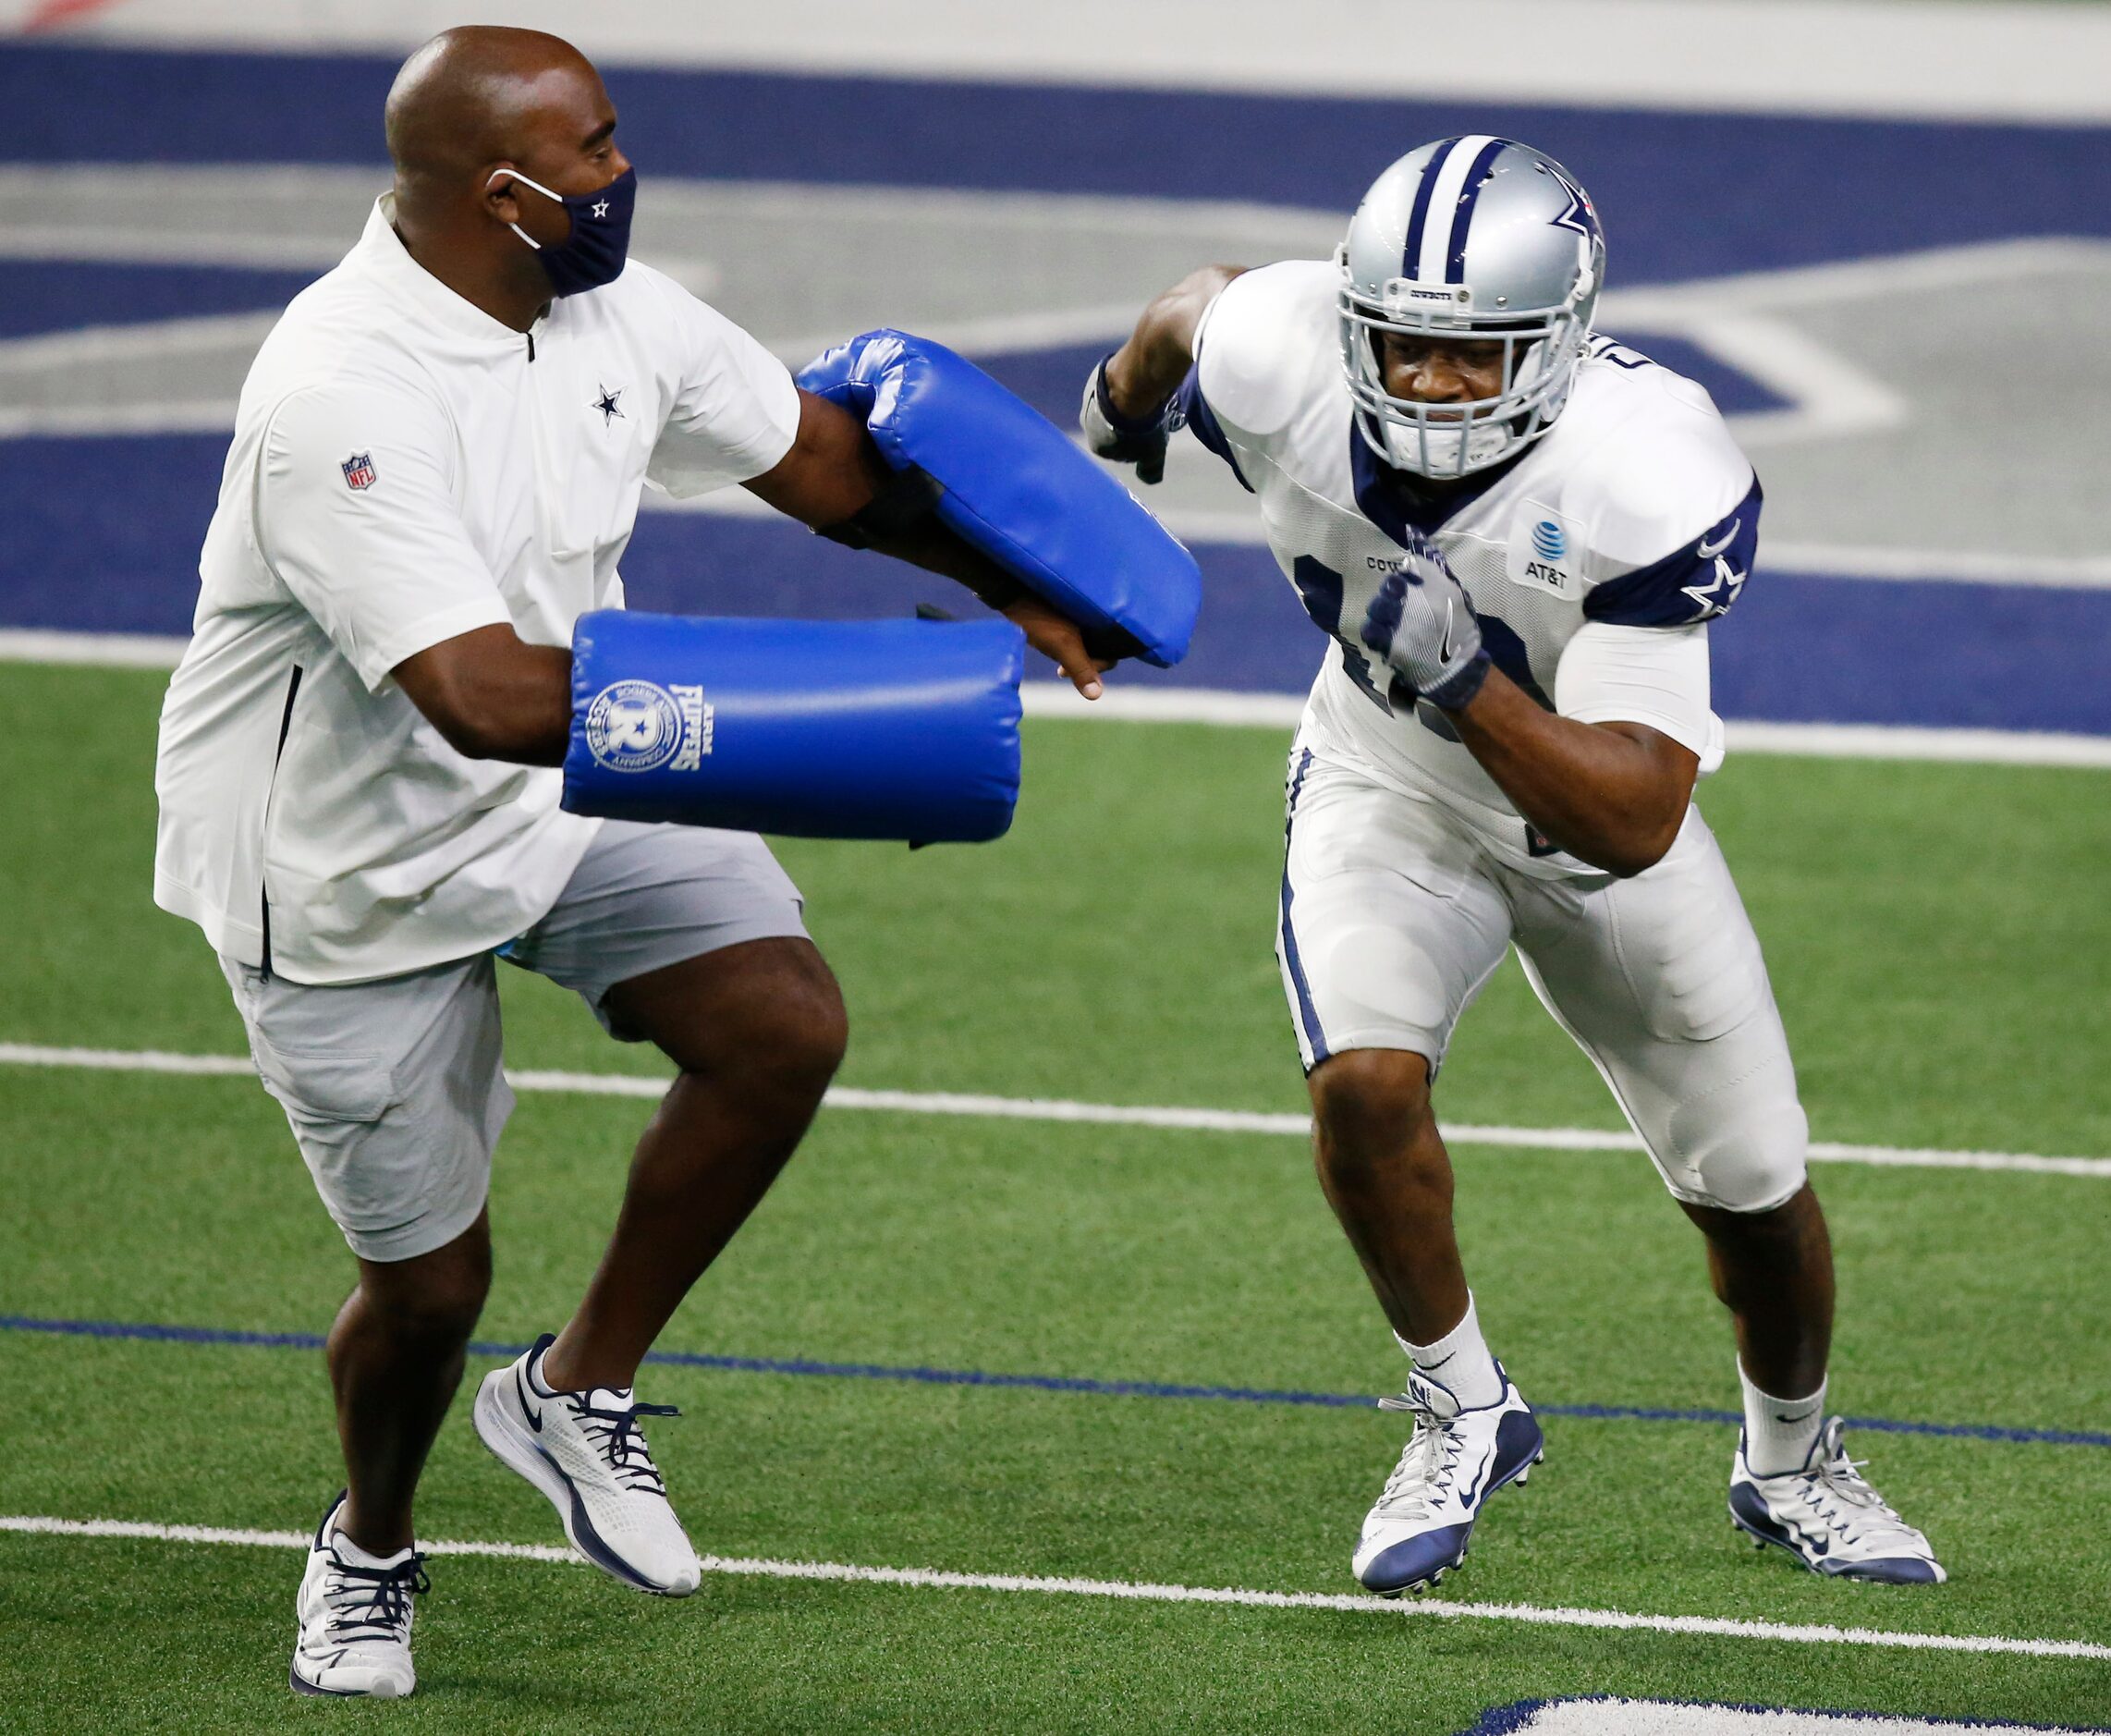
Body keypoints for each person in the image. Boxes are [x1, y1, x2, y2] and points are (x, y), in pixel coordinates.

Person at [153, 27, 1111, 1700]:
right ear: (498, 193)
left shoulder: (607, 308)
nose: (622, 171)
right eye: (591, 152)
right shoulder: (340, 397)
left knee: (780, 1024)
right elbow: (478, 696)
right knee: (430, 1286)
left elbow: (817, 459)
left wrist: (1008, 575)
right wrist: (824, 729)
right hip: (341, 860)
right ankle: (368, 1546)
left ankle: (576, 1390)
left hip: (567, 775)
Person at [1081, 136, 1942, 1595]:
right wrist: (1114, 418)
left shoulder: (1648, 464)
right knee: (1363, 1078)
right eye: (1400, 343)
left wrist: (1473, 679)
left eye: (1468, 357)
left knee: (1756, 1196)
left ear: (1558, 344)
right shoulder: (1282, 354)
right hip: (1384, 779)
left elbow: (1636, 817)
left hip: (1587, 825)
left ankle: (1793, 1456)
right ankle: (1462, 1402)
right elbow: (1191, 307)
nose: (1424, 381)